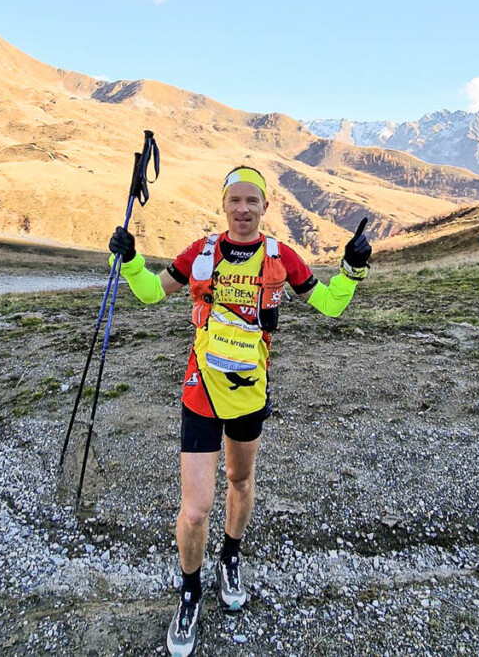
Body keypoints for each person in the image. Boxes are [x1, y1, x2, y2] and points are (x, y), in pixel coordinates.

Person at [108, 165, 371, 656]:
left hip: (250, 390)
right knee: (195, 507)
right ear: (223, 205)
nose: (244, 209)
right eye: (236, 200)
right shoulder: (201, 253)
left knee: (240, 480)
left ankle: (229, 555)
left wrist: (353, 270)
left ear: (266, 207)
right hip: (200, 389)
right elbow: (149, 292)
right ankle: (189, 592)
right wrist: (129, 261)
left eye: (253, 200)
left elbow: (331, 305)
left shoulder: (280, 258)